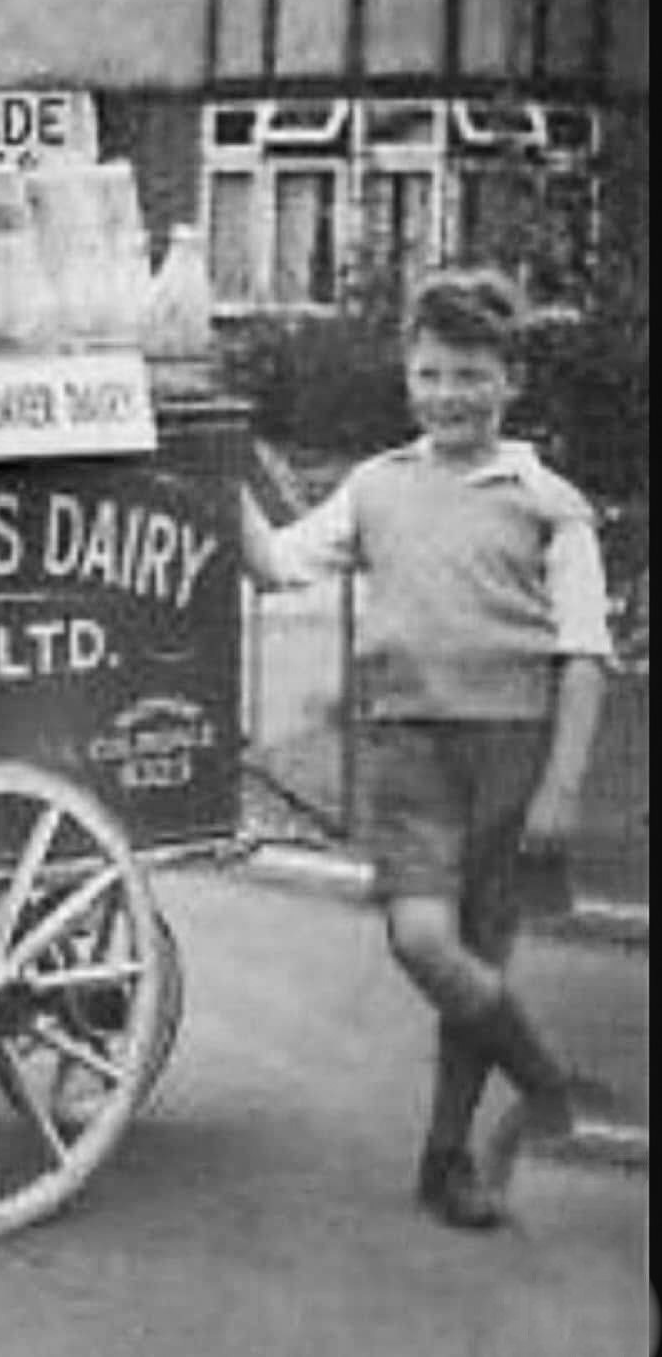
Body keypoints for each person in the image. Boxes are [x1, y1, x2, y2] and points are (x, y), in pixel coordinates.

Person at [238, 268, 614, 1231]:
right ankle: (547, 1080)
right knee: (422, 940)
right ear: (408, 377)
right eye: (431, 374)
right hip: (408, 746)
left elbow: (583, 657)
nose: (450, 396)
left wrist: (562, 787)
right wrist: (215, 470)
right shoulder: (377, 485)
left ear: (511, 380)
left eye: (472, 375)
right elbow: (276, 564)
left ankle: (446, 1160)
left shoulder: (549, 502)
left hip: (513, 749)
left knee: (478, 952)